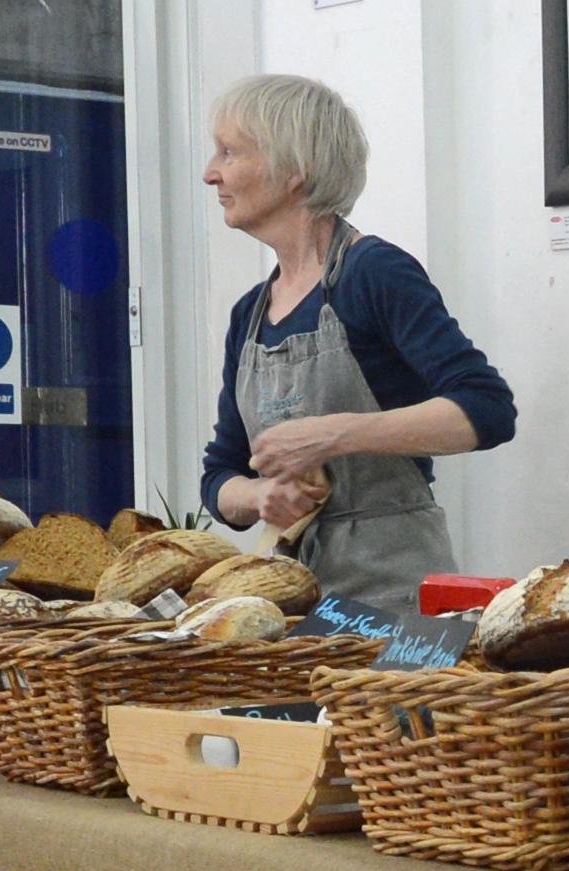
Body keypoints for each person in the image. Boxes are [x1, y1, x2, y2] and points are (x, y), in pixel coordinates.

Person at [199, 74, 516, 610]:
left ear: (294, 170)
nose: (211, 173)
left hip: (392, 599)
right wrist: (260, 495)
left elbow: (487, 409)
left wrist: (333, 435)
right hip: (292, 602)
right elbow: (221, 473)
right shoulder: (248, 315)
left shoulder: (375, 273)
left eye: (229, 152)